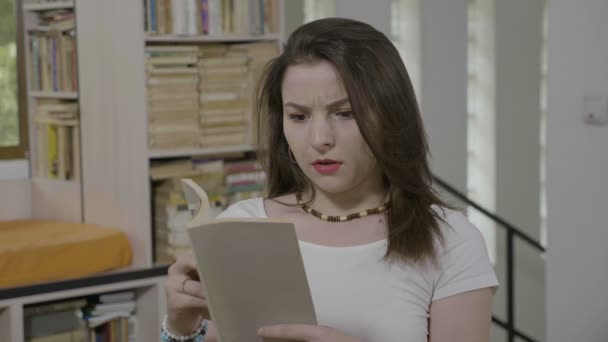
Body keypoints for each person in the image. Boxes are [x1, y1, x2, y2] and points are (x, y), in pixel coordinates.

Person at [162, 18, 498, 342]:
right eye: (299, 116)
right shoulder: (241, 227)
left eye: (345, 113)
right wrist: (180, 328)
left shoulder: (450, 242)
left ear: (390, 115)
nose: (320, 138)